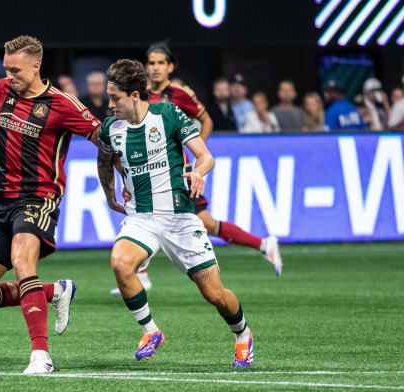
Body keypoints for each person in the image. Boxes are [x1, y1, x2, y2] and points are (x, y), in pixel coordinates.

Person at [0, 29, 101, 374]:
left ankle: (41, 356)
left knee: (23, 259)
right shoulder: (7, 91)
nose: (8, 77)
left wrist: (118, 183)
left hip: (38, 198)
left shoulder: (63, 105)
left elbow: (105, 139)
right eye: (7, 69)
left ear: (37, 66)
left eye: (16, 71)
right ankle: (54, 291)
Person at [96, 59, 255, 367]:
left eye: (115, 97)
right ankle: (151, 331)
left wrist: (199, 173)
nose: (110, 103)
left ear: (135, 95)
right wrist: (111, 195)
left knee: (215, 295)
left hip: (181, 219)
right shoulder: (110, 129)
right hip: (142, 218)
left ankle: (242, 335)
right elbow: (104, 162)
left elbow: (205, 157)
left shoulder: (167, 114)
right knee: (119, 262)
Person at [110, 43, 281, 296]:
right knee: (148, 216)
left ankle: (263, 244)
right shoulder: (138, 94)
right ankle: (140, 273)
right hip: (145, 172)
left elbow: (206, 120)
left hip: (179, 172)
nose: (155, 68)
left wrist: (195, 152)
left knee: (203, 222)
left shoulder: (179, 95)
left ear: (170, 67)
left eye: (160, 63)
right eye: (151, 63)